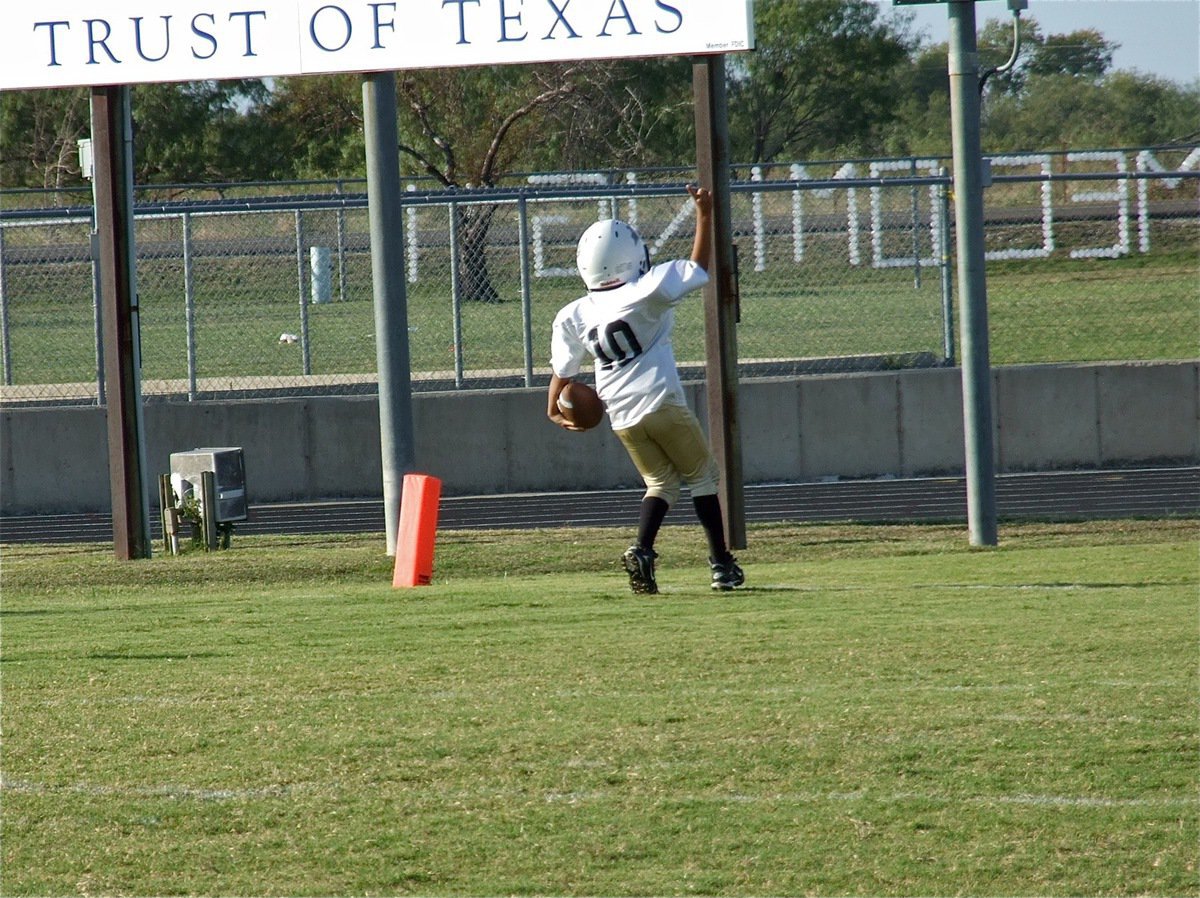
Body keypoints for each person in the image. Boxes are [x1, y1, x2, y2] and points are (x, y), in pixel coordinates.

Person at [547, 185, 745, 595]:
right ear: (629, 258)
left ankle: (642, 551)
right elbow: (698, 268)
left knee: (661, 484)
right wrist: (704, 213)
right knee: (704, 475)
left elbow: (563, 373)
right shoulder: (645, 291)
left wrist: (552, 409)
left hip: (621, 416)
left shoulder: (574, 314)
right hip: (660, 402)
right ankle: (721, 564)